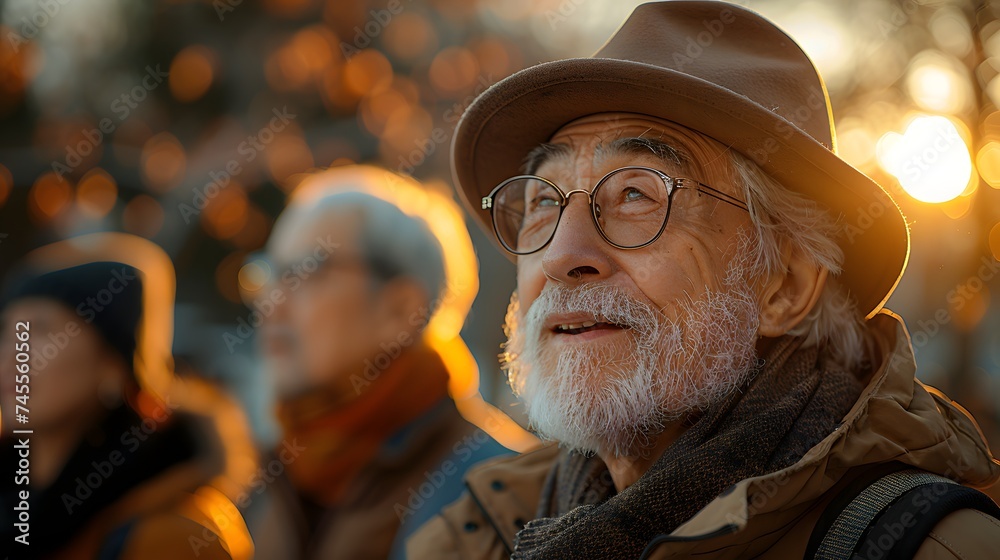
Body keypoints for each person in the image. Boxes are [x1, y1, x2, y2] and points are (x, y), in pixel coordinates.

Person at [408, 2, 1000, 559]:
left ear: (786, 287)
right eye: (544, 200)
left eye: (637, 194)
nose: (563, 255)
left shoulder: (927, 545)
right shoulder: (476, 532)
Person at [246, 166, 521, 559]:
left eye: (306, 272)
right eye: (269, 275)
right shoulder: (260, 483)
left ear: (400, 309)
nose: (270, 304)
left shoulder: (505, 499)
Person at [0, 234, 254, 560]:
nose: (13, 355)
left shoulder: (175, 536)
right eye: (7, 331)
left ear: (114, 365)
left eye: (41, 329)